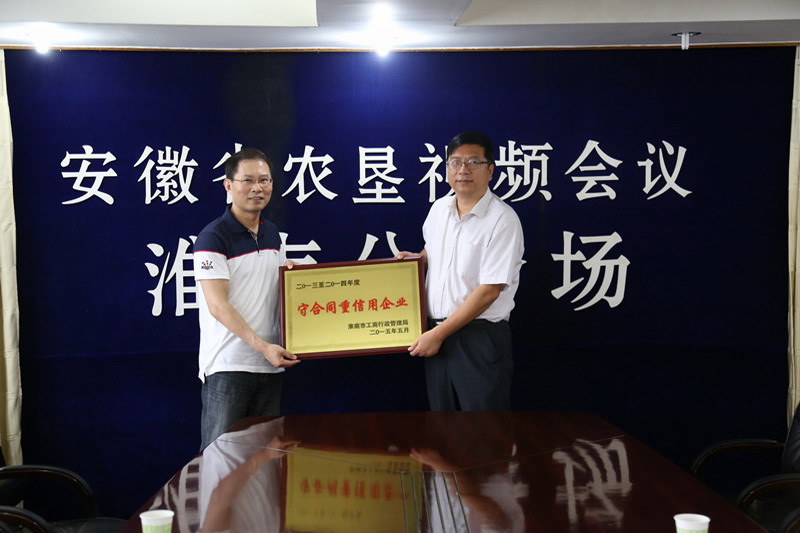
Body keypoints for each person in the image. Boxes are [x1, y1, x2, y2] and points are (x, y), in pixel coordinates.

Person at [396, 131, 525, 411]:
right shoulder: (439, 209)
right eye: (455, 162)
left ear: (490, 170)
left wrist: (438, 334)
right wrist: (418, 260)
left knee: (483, 427)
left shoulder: (503, 220)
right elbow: (434, 251)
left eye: (473, 162)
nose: (463, 170)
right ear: (446, 169)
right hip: (436, 333)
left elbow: (490, 290)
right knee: (443, 423)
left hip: (478, 337)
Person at [193, 147, 300, 450]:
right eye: (248, 180)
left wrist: (292, 276)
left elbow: (271, 287)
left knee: (265, 461)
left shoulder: (272, 234)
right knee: (220, 460)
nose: (257, 188)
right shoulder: (213, 237)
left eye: (264, 180)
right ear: (228, 185)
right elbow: (217, 305)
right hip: (230, 365)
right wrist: (263, 347)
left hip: (270, 365)